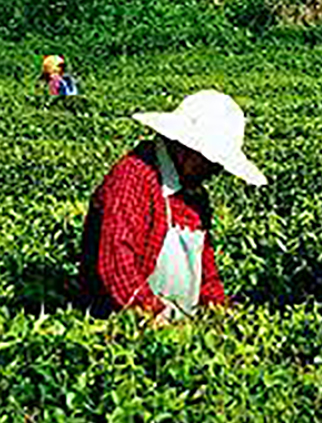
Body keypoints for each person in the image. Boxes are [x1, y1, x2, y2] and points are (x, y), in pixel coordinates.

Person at [78, 88, 265, 320]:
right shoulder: (134, 177)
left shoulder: (194, 193)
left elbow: (205, 270)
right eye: (211, 161)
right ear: (185, 148)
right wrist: (153, 317)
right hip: (120, 324)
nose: (215, 170)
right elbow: (117, 263)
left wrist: (220, 312)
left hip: (177, 325)